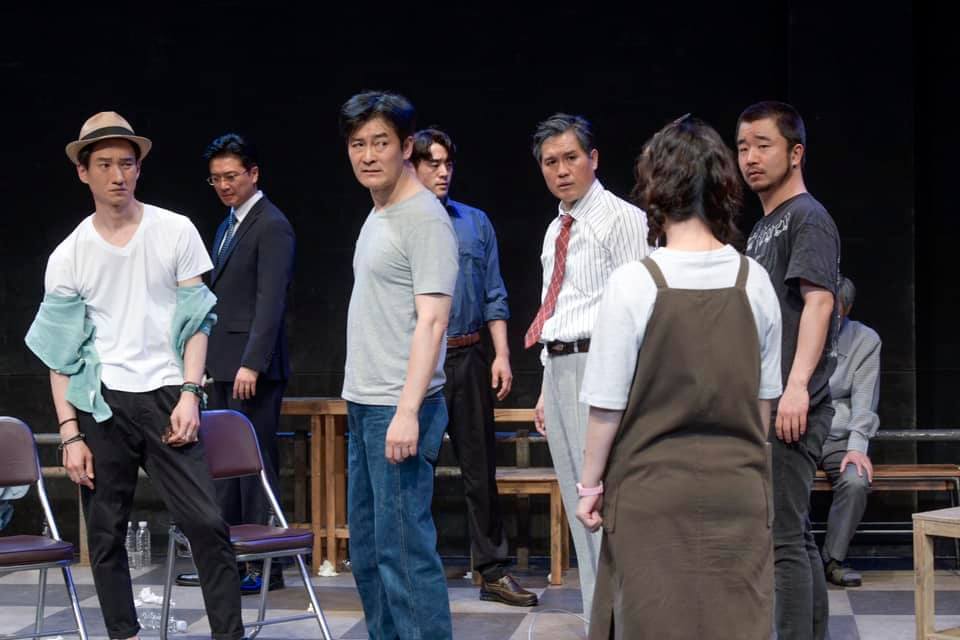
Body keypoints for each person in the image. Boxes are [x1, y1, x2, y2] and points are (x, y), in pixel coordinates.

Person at [25, 112, 243, 640]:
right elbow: (60, 353)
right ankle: (125, 634)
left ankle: (229, 635)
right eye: (104, 164)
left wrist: (190, 392)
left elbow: (197, 321)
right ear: (84, 172)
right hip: (103, 403)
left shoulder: (175, 230)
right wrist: (70, 433)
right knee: (104, 534)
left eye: (126, 163)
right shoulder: (69, 255)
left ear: (139, 168)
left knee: (207, 524)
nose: (117, 175)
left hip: (168, 393)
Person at [576, 115, 782, 639]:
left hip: (651, 495)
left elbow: (606, 405)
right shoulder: (755, 282)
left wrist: (589, 485)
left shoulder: (633, 284)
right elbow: (762, 409)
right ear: (721, 187)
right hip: (738, 492)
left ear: (656, 187)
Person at [340, 92, 458, 639]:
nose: (368, 155)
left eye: (380, 143)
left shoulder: (425, 218)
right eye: (357, 144)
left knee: (405, 556)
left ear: (406, 147)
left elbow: (433, 321)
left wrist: (408, 411)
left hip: (399, 405)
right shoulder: (379, 210)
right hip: (365, 402)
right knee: (368, 553)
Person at [526, 113, 651, 615]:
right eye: (550, 162)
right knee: (579, 506)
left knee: (604, 502)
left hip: (601, 366)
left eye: (570, 158)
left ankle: (623, 617)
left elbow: (639, 309)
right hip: (560, 368)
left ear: (593, 159)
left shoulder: (622, 219)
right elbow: (554, 306)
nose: (561, 170)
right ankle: (598, 617)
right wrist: (545, 384)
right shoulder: (555, 228)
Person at [411, 127, 537, 606]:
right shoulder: (399, 222)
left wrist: (502, 354)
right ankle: (414, 570)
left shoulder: (474, 222)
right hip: (420, 360)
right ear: (413, 167)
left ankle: (492, 571)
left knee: (479, 469)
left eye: (448, 164)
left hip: (468, 355)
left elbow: (493, 293)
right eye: (433, 164)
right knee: (414, 469)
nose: (443, 172)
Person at [738, 100, 841, 640]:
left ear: (795, 152)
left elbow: (819, 302)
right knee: (793, 534)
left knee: (782, 540)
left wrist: (796, 386)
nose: (750, 157)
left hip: (794, 401)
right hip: (772, 399)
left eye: (763, 145)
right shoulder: (763, 227)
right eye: (742, 147)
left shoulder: (808, 216)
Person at [176, 133, 296, 594]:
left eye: (231, 176)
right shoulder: (229, 224)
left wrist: (252, 363)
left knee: (254, 465)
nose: (224, 185)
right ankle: (225, 563)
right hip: (224, 362)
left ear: (253, 174)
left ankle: (265, 567)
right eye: (216, 179)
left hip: (251, 368)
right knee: (224, 467)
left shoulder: (272, 224)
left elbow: (270, 301)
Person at [820, 275, 880, 587]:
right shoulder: (792, 330)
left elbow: (864, 400)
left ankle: (833, 560)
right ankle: (790, 561)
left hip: (839, 437)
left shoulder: (864, 340)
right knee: (777, 480)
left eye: (836, 314)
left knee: (856, 480)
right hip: (796, 433)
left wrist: (857, 447)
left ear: (847, 309)